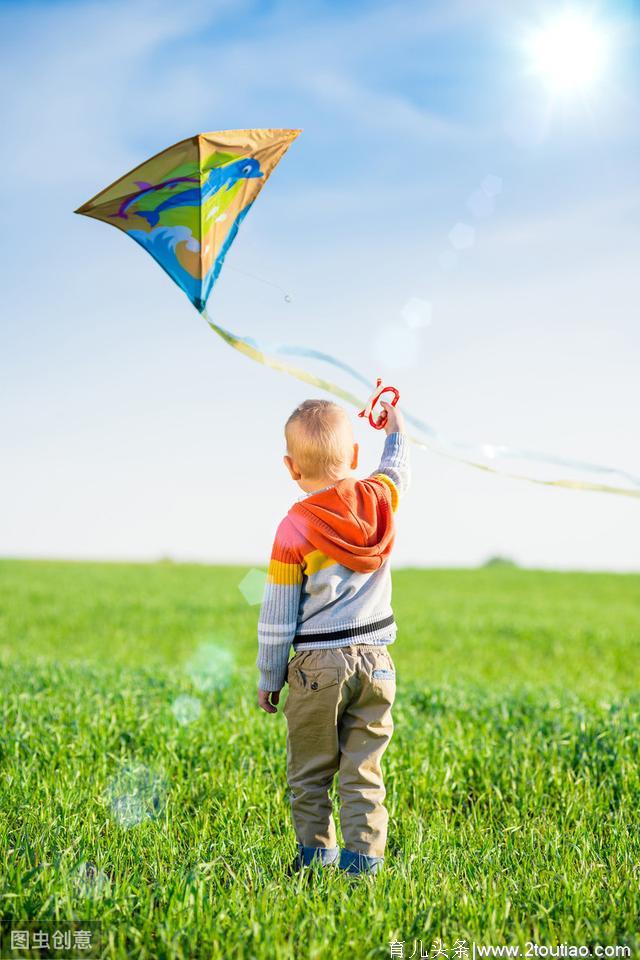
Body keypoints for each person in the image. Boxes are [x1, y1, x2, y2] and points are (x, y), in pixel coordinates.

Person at [256, 397, 410, 876]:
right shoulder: (381, 500)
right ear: (355, 456)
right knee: (364, 772)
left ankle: (314, 861)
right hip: (378, 663)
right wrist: (397, 429)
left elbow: (278, 614)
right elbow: (398, 468)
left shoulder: (294, 528)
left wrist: (270, 674)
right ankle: (363, 866)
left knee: (310, 774)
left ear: (290, 467)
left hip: (318, 669)